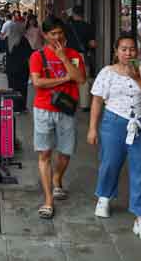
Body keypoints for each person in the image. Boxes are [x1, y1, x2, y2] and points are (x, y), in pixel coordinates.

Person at [87, 33, 141, 242]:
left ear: (137, 51)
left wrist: (137, 79)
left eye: (132, 49)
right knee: (110, 163)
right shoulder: (107, 73)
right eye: (124, 49)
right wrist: (92, 128)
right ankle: (104, 196)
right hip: (113, 123)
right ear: (116, 51)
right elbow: (97, 102)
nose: (128, 53)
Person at [28, 17, 86, 219]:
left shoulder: (74, 55)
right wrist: (63, 78)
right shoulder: (37, 56)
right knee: (45, 153)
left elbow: (80, 79)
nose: (57, 37)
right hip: (43, 108)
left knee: (65, 152)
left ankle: (57, 178)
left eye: (60, 32)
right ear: (45, 35)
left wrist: (63, 59)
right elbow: (38, 83)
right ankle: (48, 200)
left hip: (66, 109)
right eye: (52, 33)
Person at [65, 6, 97, 111]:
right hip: (83, 55)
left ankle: (70, 100)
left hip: (72, 56)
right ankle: (85, 105)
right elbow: (93, 44)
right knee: (84, 78)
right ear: (83, 14)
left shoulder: (68, 26)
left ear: (73, 14)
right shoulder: (88, 26)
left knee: (72, 77)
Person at [2, 12, 31, 112]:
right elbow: (30, 54)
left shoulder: (7, 40)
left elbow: (3, 50)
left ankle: (14, 107)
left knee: (12, 87)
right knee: (23, 88)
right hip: (23, 69)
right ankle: (22, 107)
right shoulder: (23, 40)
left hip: (10, 69)